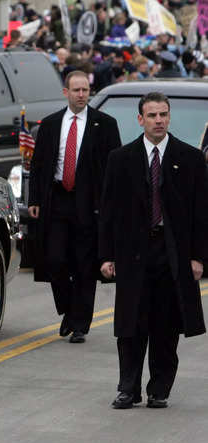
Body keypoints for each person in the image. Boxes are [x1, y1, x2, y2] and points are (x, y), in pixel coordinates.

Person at [100, 92, 208, 409]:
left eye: (163, 115)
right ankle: (127, 388)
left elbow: (201, 214)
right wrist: (106, 256)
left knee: (166, 324)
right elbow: (107, 212)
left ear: (169, 117)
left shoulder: (189, 159)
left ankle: (159, 388)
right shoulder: (120, 159)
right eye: (152, 115)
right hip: (133, 253)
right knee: (131, 324)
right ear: (140, 120)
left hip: (172, 253)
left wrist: (198, 257)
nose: (158, 120)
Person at [28, 70, 121, 343]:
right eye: (76, 90)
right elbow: (39, 165)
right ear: (65, 92)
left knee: (84, 264)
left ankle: (80, 324)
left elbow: (115, 167)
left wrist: (111, 204)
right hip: (57, 200)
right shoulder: (51, 124)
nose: (81, 95)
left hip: (89, 203)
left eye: (85, 90)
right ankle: (68, 308)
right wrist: (34, 199)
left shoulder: (104, 124)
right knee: (55, 259)